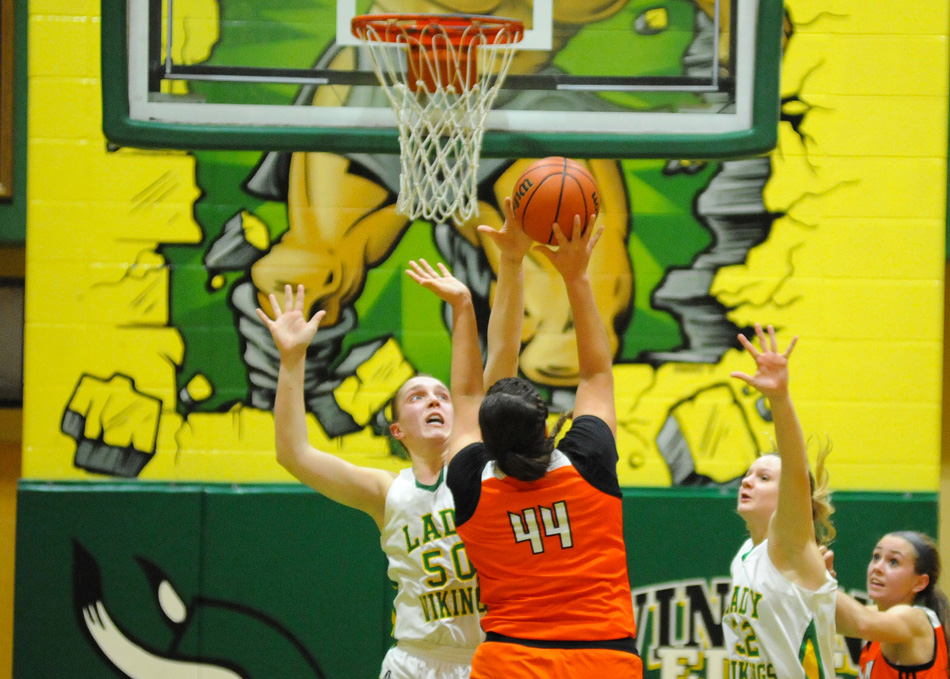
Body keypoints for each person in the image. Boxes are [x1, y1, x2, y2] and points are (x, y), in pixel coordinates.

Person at [254, 199, 533, 679]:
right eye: (418, 396)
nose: (434, 401)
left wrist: (511, 263)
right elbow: (293, 454)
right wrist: (292, 361)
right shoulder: (388, 493)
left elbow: (504, 349)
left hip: (488, 660)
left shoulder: (484, 468)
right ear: (398, 429)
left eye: (442, 395)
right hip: (413, 661)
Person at [429, 216, 643, 679]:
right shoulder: (587, 462)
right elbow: (596, 374)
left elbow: (465, 395)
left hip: (511, 661)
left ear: (484, 438)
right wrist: (576, 276)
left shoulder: (471, 482)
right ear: (546, 424)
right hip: (603, 660)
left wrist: (470, 302)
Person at [723, 323, 838, 679]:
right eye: (748, 473)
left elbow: (794, 465)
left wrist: (779, 398)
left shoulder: (788, 544)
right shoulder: (745, 555)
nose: (747, 480)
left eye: (764, 477)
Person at [834, 531, 950, 678]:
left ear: (919, 583)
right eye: (876, 557)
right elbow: (833, 618)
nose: (877, 567)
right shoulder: (879, 616)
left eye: (893, 561)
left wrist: (819, 579)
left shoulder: (913, 618)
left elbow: (862, 623)